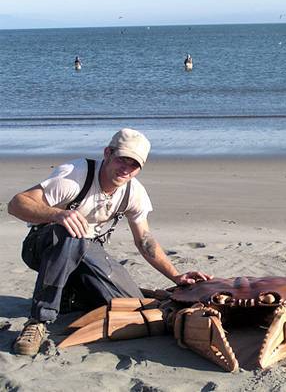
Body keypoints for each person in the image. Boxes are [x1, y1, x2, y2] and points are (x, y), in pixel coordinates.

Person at [8, 128, 212, 356]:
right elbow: (16, 204)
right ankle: (38, 320)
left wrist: (176, 276)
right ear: (108, 153)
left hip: (86, 252)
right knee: (71, 234)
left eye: (134, 165)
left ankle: (71, 295)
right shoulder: (75, 175)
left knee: (128, 304)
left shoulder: (133, 192)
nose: (126, 169)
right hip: (45, 246)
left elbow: (144, 240)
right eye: (122, 159)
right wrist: (57, 214)